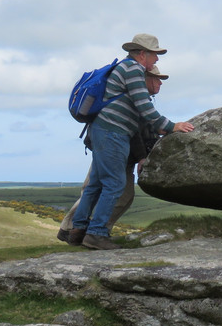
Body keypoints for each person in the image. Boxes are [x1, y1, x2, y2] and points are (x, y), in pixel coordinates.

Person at [69, 34, 193, 250]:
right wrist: (172, 126)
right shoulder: (133, 69)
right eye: (155, 55)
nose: (156, 60)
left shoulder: (124, 68)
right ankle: (96, 234)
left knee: (96, 184)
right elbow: (144, 106)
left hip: (102, 129)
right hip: (113, 132)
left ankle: (77, 230)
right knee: (114, 184)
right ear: (143, 53)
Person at [58, 64, 168, 244]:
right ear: (144, 78)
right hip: (114, 147)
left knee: (95, 188)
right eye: (157, 79)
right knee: (113, 188)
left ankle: (77, 230)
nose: (160, 84)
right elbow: (133, 131)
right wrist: (143, 154)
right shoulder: (135, 97)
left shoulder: (133, 96)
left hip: (109, 144)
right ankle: (92, 233)